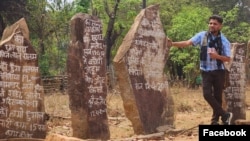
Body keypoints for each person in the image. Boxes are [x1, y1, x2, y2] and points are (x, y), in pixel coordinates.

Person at [168, 15, 233, 125]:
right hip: (206, 70)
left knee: (217, 97)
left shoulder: (224, 40)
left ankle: (215, 121)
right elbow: (187, 43)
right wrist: (172, 44)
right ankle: (225, 114)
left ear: (220, 26)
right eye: (210, 23)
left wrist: (217, 56)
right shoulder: (202, 35)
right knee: (206, 94)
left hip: (218, 71)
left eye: (215, 24)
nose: (212, 25)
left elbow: (227, 58)